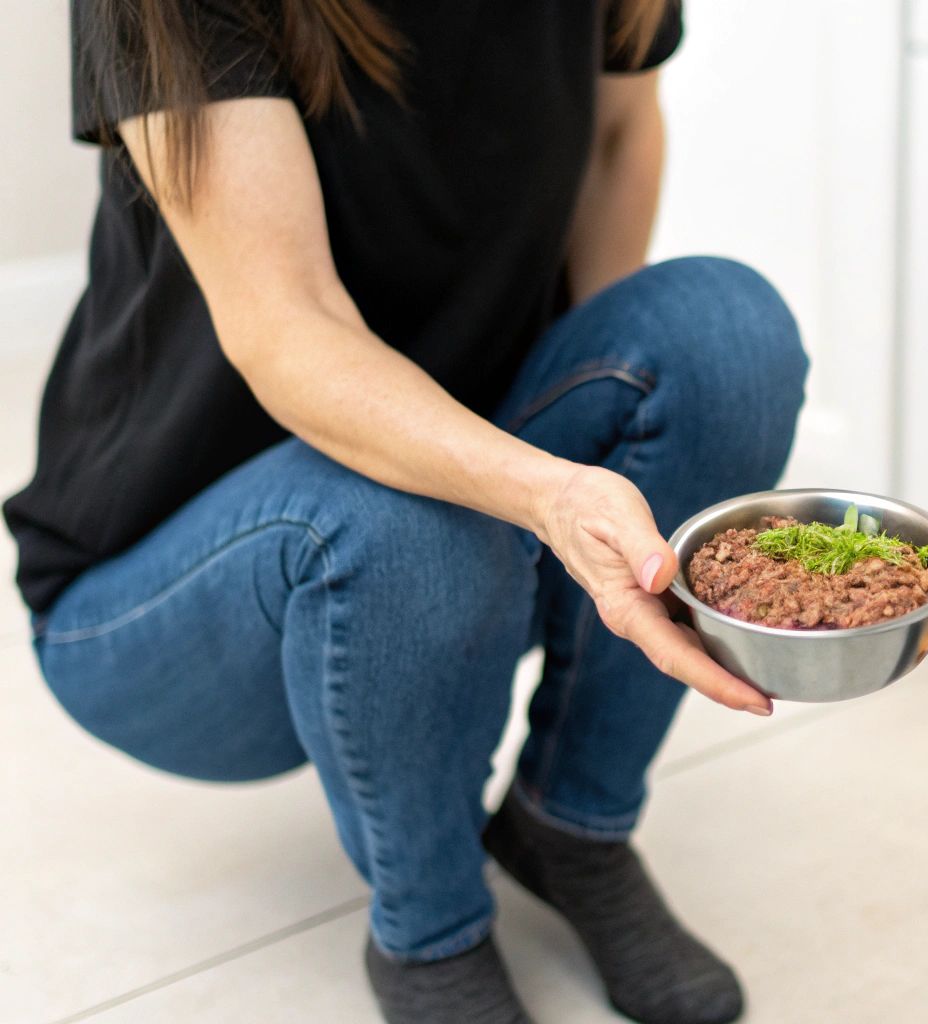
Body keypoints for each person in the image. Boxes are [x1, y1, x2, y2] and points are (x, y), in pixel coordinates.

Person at [3, 2, 807, 1022]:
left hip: (454, 534)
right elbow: (289, 321)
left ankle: (572, 824)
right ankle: (430, 934)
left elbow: (616, 132)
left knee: (724, 333)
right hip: (161, 598)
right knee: (402, 512)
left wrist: (633, 447)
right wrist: (548, 491)